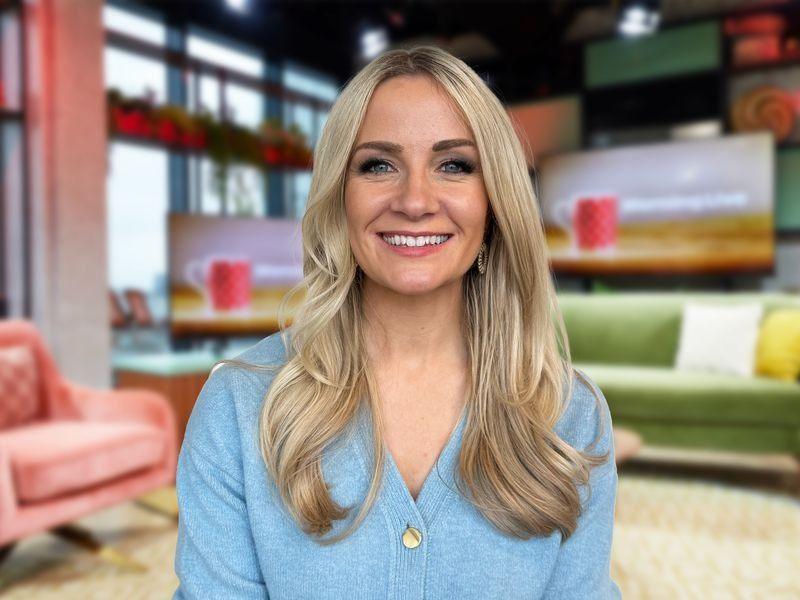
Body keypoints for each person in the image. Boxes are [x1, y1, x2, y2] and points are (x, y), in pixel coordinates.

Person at [173, 45, 621, 599]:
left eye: (454, 165)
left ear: (494, 203)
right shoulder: (238, 406)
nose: (415, 201)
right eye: (378, 165)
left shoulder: (571, 416)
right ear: (340, 196)